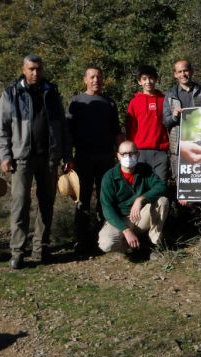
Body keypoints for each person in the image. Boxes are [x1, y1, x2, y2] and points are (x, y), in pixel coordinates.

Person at [0, 54, 72, 269]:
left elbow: (62, 127)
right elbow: (0, 128)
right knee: (20, 204)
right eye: (31, 69)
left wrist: (66, 155)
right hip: (21, 158)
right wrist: (4, 156)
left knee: (46, 203)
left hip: (49, 158)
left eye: (38, 69)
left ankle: (41, 248)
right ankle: (17, 251)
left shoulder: (52, 93)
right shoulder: (11, 93)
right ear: (23, 69)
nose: (35, 73)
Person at [67, 66, 120, 255]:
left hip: (106, 157)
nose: (96, 80)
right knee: (82, 201)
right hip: (82, 157)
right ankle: (80, 240)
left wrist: (120, 154)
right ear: (85, 80)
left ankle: (101, 239)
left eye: (99, 76)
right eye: (92, 77)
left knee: (104, 200)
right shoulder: (76, 102)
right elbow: (68, 133)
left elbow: (116, 132)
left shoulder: (109, 103)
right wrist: (67, 158)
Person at [98, 141, 169, 256]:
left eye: (132, 153)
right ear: (118, 156)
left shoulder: (145, 170)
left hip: (140, 217)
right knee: (106, 244)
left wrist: (141, 199)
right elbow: (107, 208)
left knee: (163, 201)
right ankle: (133, 247)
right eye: (124, 154)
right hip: (119, 219)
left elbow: (161, 186)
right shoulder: (109, 177)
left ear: (138, 154)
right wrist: (125, 230)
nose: (128, 157)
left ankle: (153, 244)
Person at [162, 59, 201, 179]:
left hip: (200, 144)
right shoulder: (170, 95)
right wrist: (174, 116)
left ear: (191, 71)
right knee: (181, 181)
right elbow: (165, 122)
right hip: (178, 147)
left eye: (186, 71)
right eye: (180, 72)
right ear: (175, 74)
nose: (183, 74)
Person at [126, 64, 169, 181]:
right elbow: (130, 128)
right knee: (141, 186)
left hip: (161, 151)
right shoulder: (134, 102)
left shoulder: (165, 100)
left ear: (155, 79)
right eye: (144, 79)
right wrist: (130, 151)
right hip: (140, 151)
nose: (148, 82)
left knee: (160, 185)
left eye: (151, 78)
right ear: (139, 82)